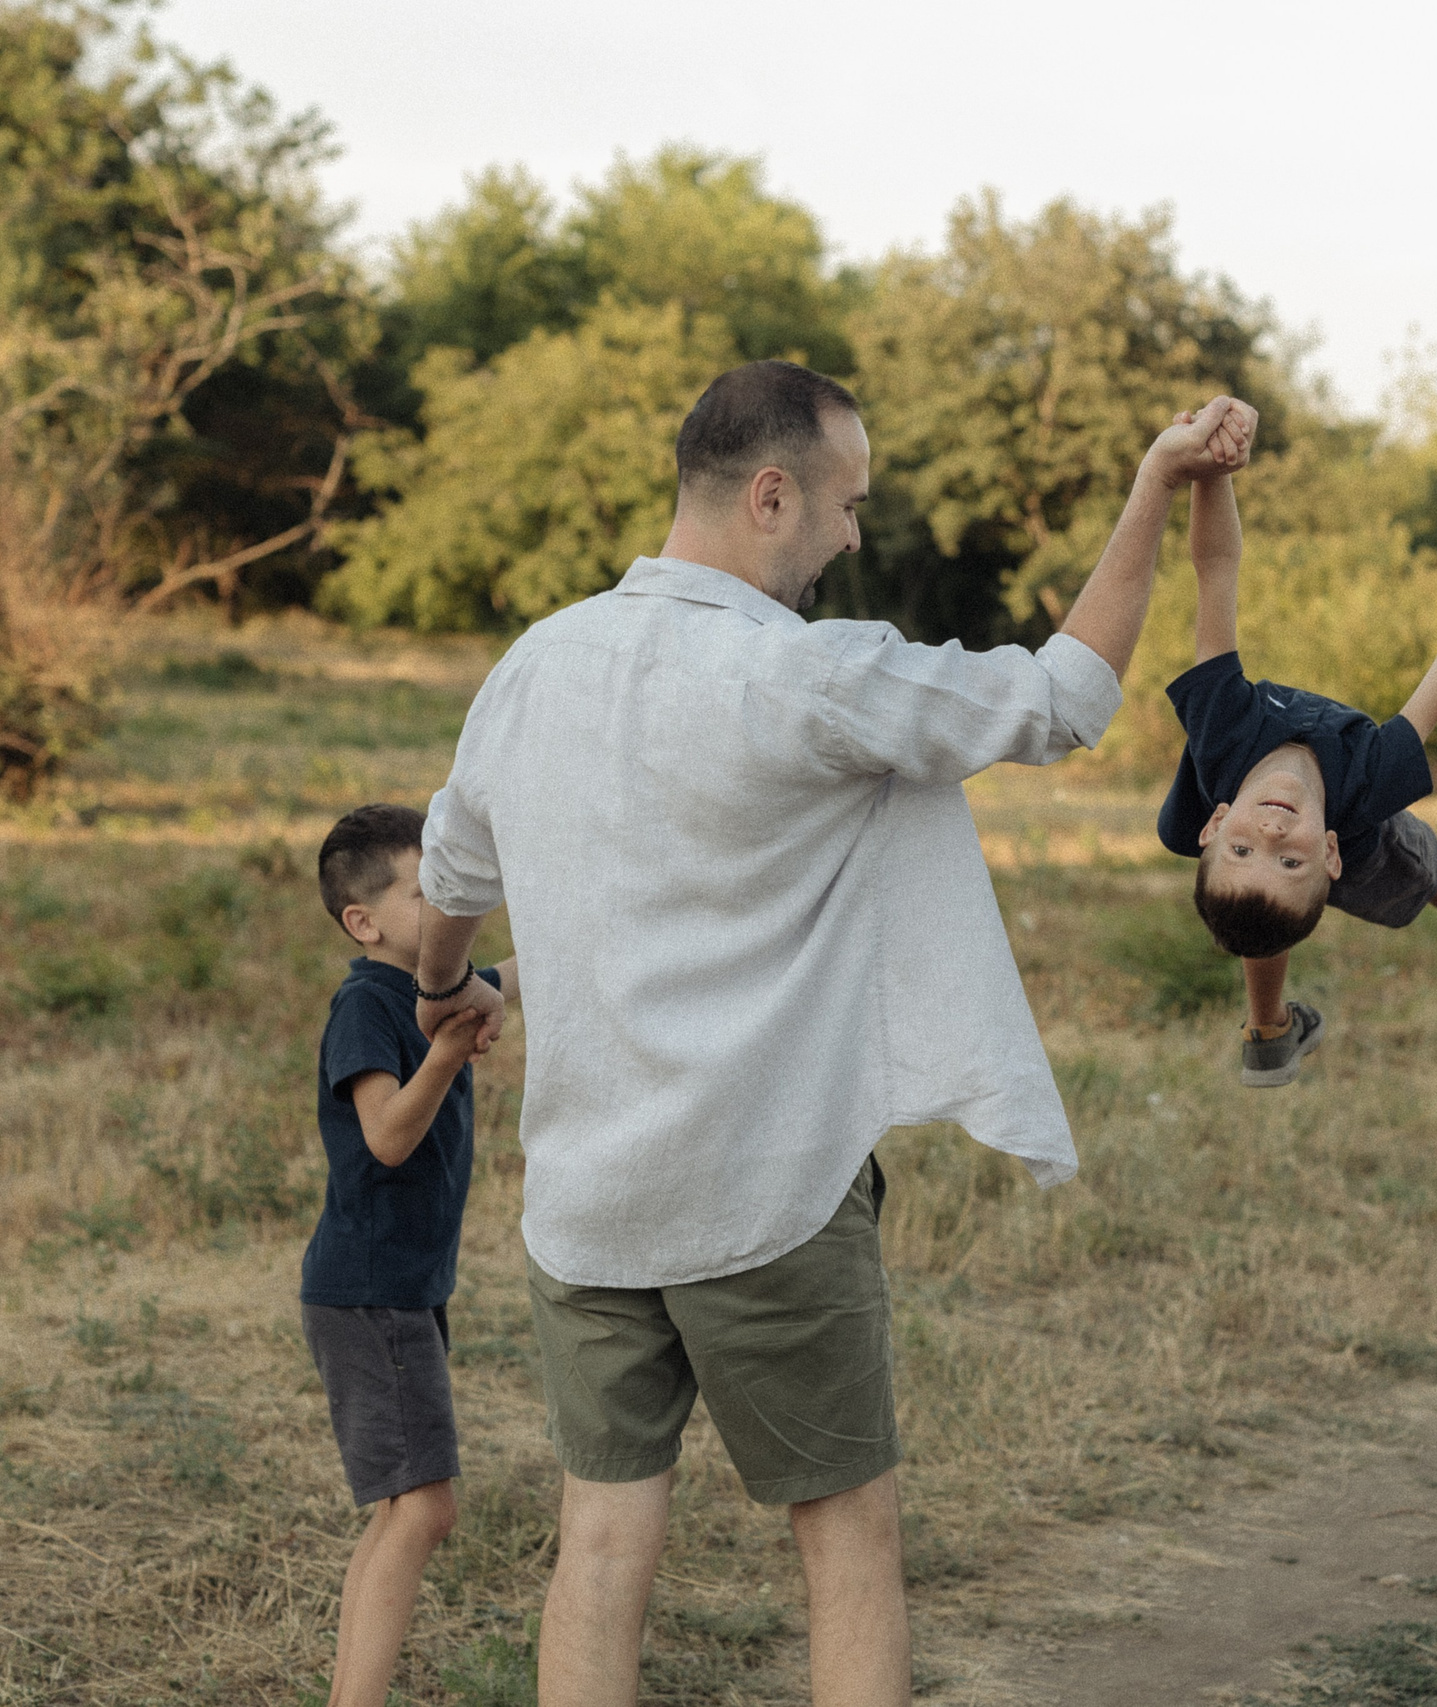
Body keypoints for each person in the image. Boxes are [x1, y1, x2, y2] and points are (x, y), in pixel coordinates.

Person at [405, 359, 1256, 1707]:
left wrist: (442, 985)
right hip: (769, 1190)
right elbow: (1066, 698)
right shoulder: (809, 675)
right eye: (848, 504)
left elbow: (452, 868)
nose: (856, 536)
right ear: (770, 494)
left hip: (586, 1202)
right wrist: (1155, 482)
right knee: (847, 1536)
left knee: (602, 1544)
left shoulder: (532, 665)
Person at [1158, 463, 1437, 1086]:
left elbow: (1215, 569)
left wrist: (1213, 471)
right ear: (1329, 854)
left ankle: (1268, 1032)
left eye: (1241, 847)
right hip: (1366, 843)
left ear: (1214, 823)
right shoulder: (1371, 779)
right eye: (1291, 859)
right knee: (1420, 863)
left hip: (1274, 840)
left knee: (1260, 905)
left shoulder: (1222, 726)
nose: (1270, 835)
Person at [301, 803, 515, 1707]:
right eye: (428, 892)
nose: (450, 903)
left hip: (399, 1287)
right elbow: (386, 1135)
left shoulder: (434, 984)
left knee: (401, 1508)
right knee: (426, 1507)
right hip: (371, 1287)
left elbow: (518, 974)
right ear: (365, 921)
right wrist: (448, 1053)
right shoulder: (366, 1004)